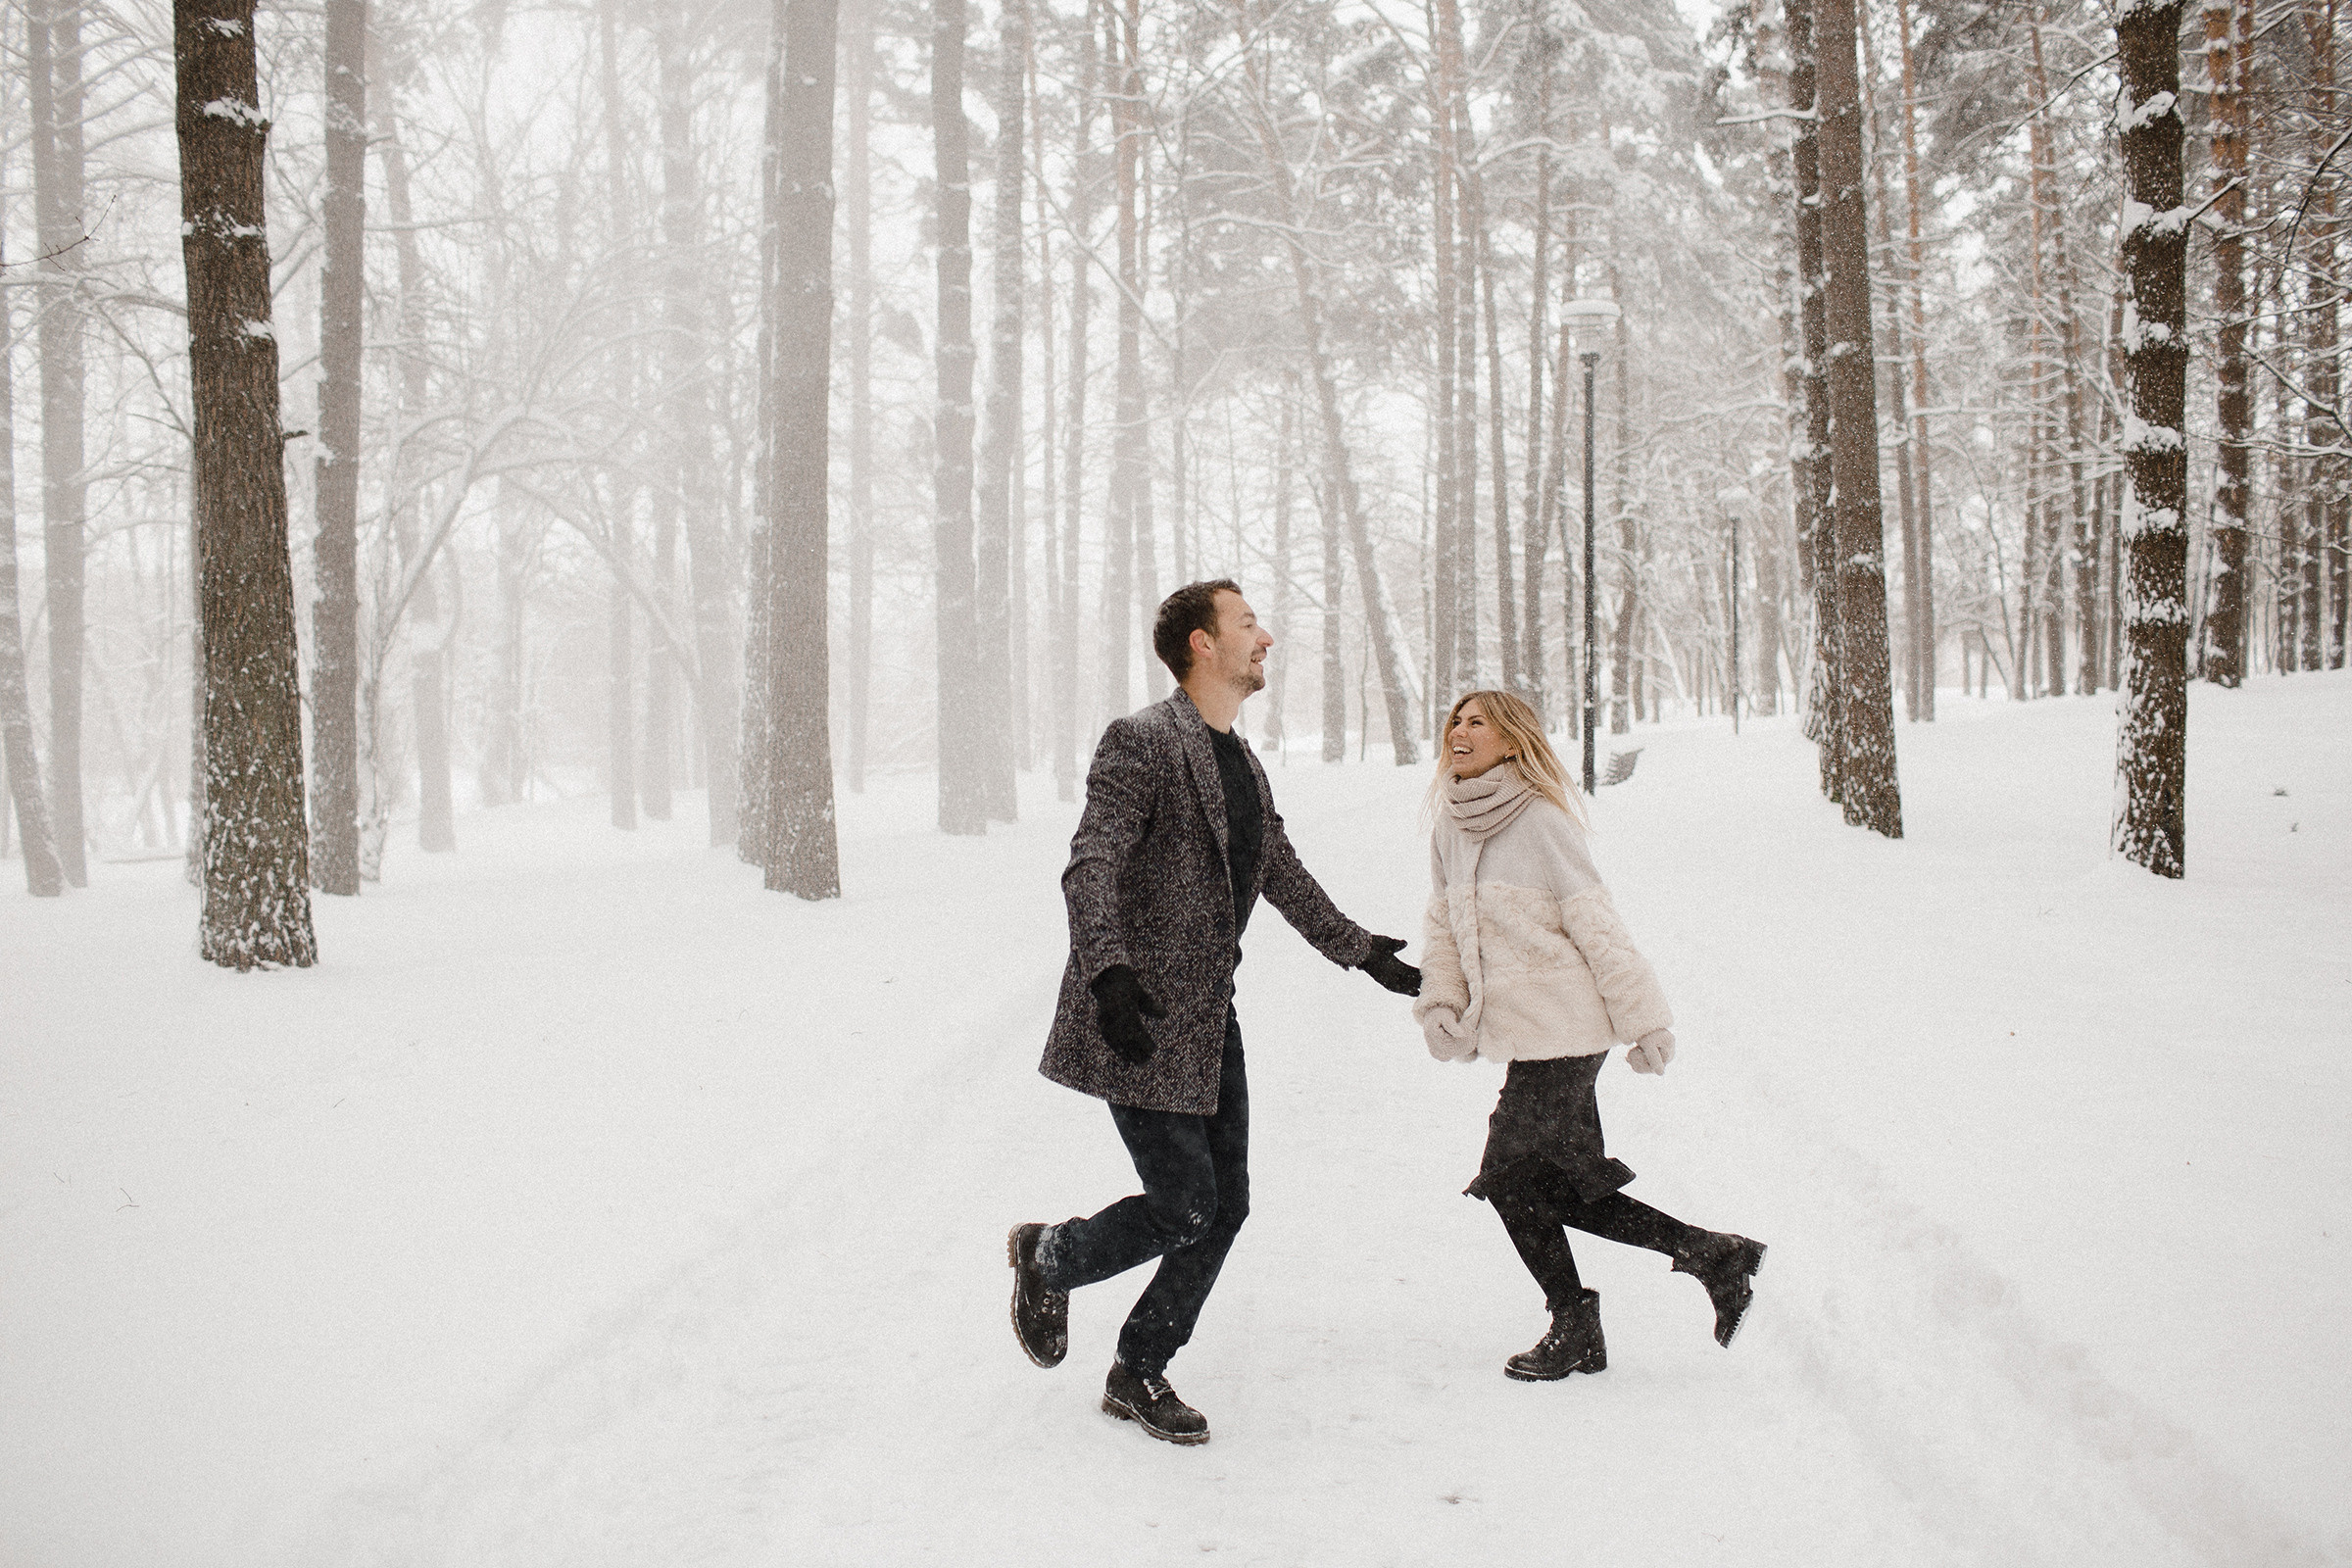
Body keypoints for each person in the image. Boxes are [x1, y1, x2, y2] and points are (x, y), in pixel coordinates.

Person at [1007, 580, 1422, 1446]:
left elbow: (1278, 868)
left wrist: (1359, 951)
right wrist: (1109, 974)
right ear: (1202, 643)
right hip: (1137, 1013)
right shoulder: (1142, 741)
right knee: (1186, 1205)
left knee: (1223, 1206)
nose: (1265, 638)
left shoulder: (1240, 760)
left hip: (1208, 1019)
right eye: (1247, 623)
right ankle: (1051, 1256)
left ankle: (1138, 1368)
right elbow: (1091, 862)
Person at [1413, 689, 1765, 1381]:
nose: (1460, 730)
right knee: (1548, 1187)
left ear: (1511, 740)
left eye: (1478, 721)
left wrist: (1645, 1019)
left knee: (1509, 1178)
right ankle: (1707, 1256)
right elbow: (1443, 926)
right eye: (1456, 719)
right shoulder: (1450, 827)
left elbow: (1596, 923)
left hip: (1570, 1028)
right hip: (1525, 1036)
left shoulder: (1541, 820)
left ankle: (1578, 1317)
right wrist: (1442, 1002)